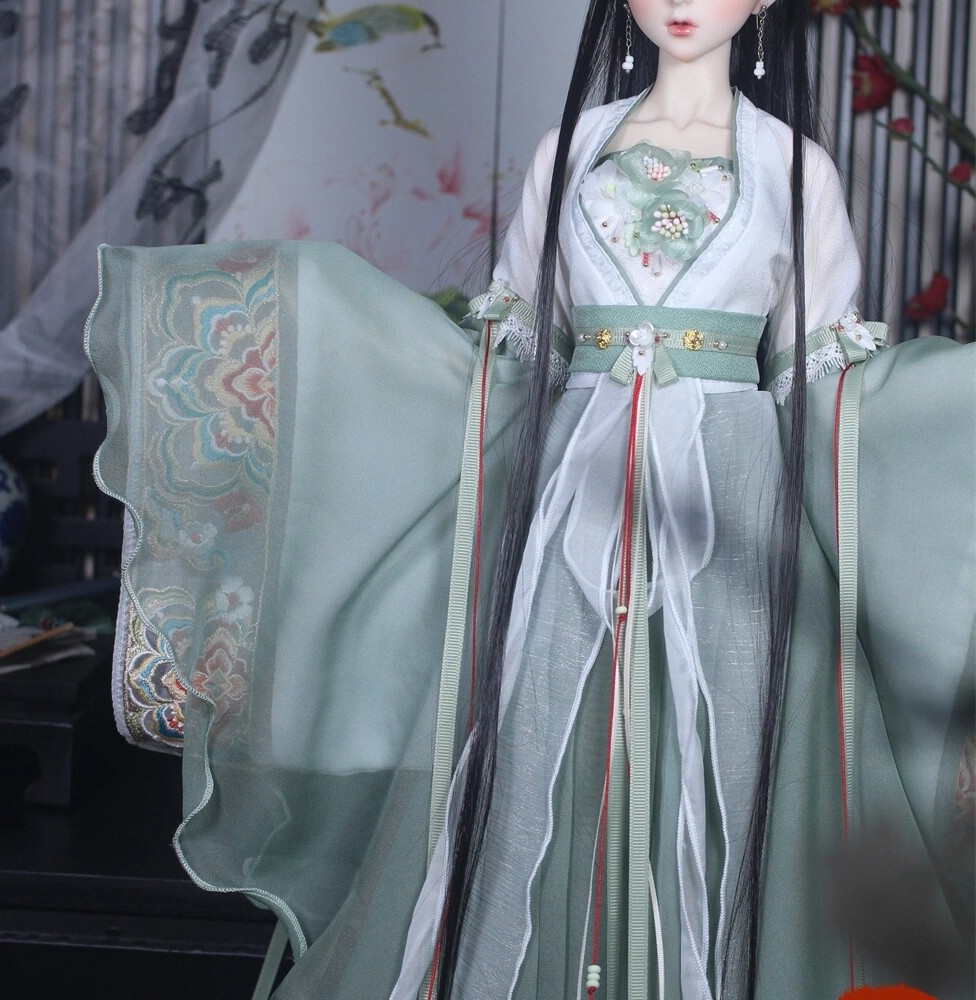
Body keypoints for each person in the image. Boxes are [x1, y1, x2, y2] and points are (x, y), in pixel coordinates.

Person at [86, 0, 974, 997]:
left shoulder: (792, 166)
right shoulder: (571, 151)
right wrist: (338, 332)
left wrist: (946, 410)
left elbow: (823, 381)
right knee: (545, 736)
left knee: (723, 753)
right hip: (572, 497)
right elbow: (513, 364)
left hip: (733, 502)